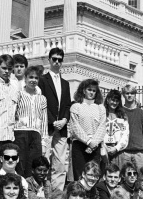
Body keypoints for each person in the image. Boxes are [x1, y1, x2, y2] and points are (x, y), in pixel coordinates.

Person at [39, 47, 71, 191]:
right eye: (54, 59)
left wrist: (64, 120)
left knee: (60, 163)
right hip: (47, 127)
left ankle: (57, 194)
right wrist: (53, 121)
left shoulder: (66, 83)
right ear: (49, 60)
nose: (57, 62)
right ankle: (43, 191)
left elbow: (67, 105)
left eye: (60, 60)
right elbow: (41, 103)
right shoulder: (42, 80)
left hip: (62, 128)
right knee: (44, 160)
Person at [14, 65, 49, 176]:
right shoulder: (19, 94)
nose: (33, 80)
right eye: (31, 77)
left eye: (36, 78)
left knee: (33, 167)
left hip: (36, 135)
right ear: (25, 78)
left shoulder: (42, 98)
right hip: (20, 133)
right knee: (20, 165)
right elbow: (13, 115)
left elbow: (44, 121)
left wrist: (44, 143)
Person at [69, 79, 106, 180]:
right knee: (80, 176)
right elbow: (75, 127)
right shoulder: (76, 106)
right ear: (83, 90)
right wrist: (88, 141)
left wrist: (94, 143)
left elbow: (102, 127)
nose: (91, 92)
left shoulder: (100, 108)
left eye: (94, 91)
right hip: (80, 145)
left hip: (95, 146)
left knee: (93, 176)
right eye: (89, 89)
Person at [0, 54, 19, 159]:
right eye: (4, 68)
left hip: (10, 136)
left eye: (9, 69)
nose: (6, 71)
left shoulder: (15, 86)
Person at [119, 85, 143, 170]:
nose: (129, 95)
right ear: (123, 95)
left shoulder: (142, 113)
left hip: (138, 151)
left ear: (135, 95)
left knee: (141, 176)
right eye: (127, 93)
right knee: (124, 175)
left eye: (132, 93)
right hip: (124, 151)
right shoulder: (120, 112)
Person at [103, 89, 128, 168]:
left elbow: (125, 135)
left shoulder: (122, 116)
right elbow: (97, 132)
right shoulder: (102, 114)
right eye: (112, 100)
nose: (114, 103)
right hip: (103, 149)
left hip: (117, 151)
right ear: (107, 100)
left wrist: (116, 148)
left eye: (117, 101)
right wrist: (104, 147)